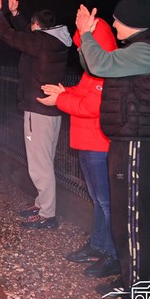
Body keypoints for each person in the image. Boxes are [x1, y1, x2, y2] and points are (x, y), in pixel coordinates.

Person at [75, 0, 150, 299]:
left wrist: (87, 33)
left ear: (130, 21)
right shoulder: (138, 47)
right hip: (127, 140)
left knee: (131, 221)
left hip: (137, 144)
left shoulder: (146, 51)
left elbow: (101, 64)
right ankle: (129, 280)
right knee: (123, 217)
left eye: (117, 20)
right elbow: (95, 64)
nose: (113, 24)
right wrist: (84, 39)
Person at [38, 17, 120, 278]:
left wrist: (60, 100)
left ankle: (112, 255)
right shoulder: (94, 69)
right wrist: (65, 91)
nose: (81, 52)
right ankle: (97, 246)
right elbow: (84, 94)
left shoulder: (107, 66)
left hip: (99, 145)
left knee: (106, 203)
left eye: (84, 46)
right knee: (97, 199)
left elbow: (91, 106)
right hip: (88, 143)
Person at [0, 0, 72, 228]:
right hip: (49, 110)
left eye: (33, 25)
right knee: (44, 160)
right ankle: (42, 203)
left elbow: (13, 37)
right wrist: (15, 14)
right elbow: (27, 36)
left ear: (39, 27)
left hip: (38, 110)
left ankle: (47, 215)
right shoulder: (54, 40)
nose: (31, 28)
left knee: (39, 164)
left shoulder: (43, 42)